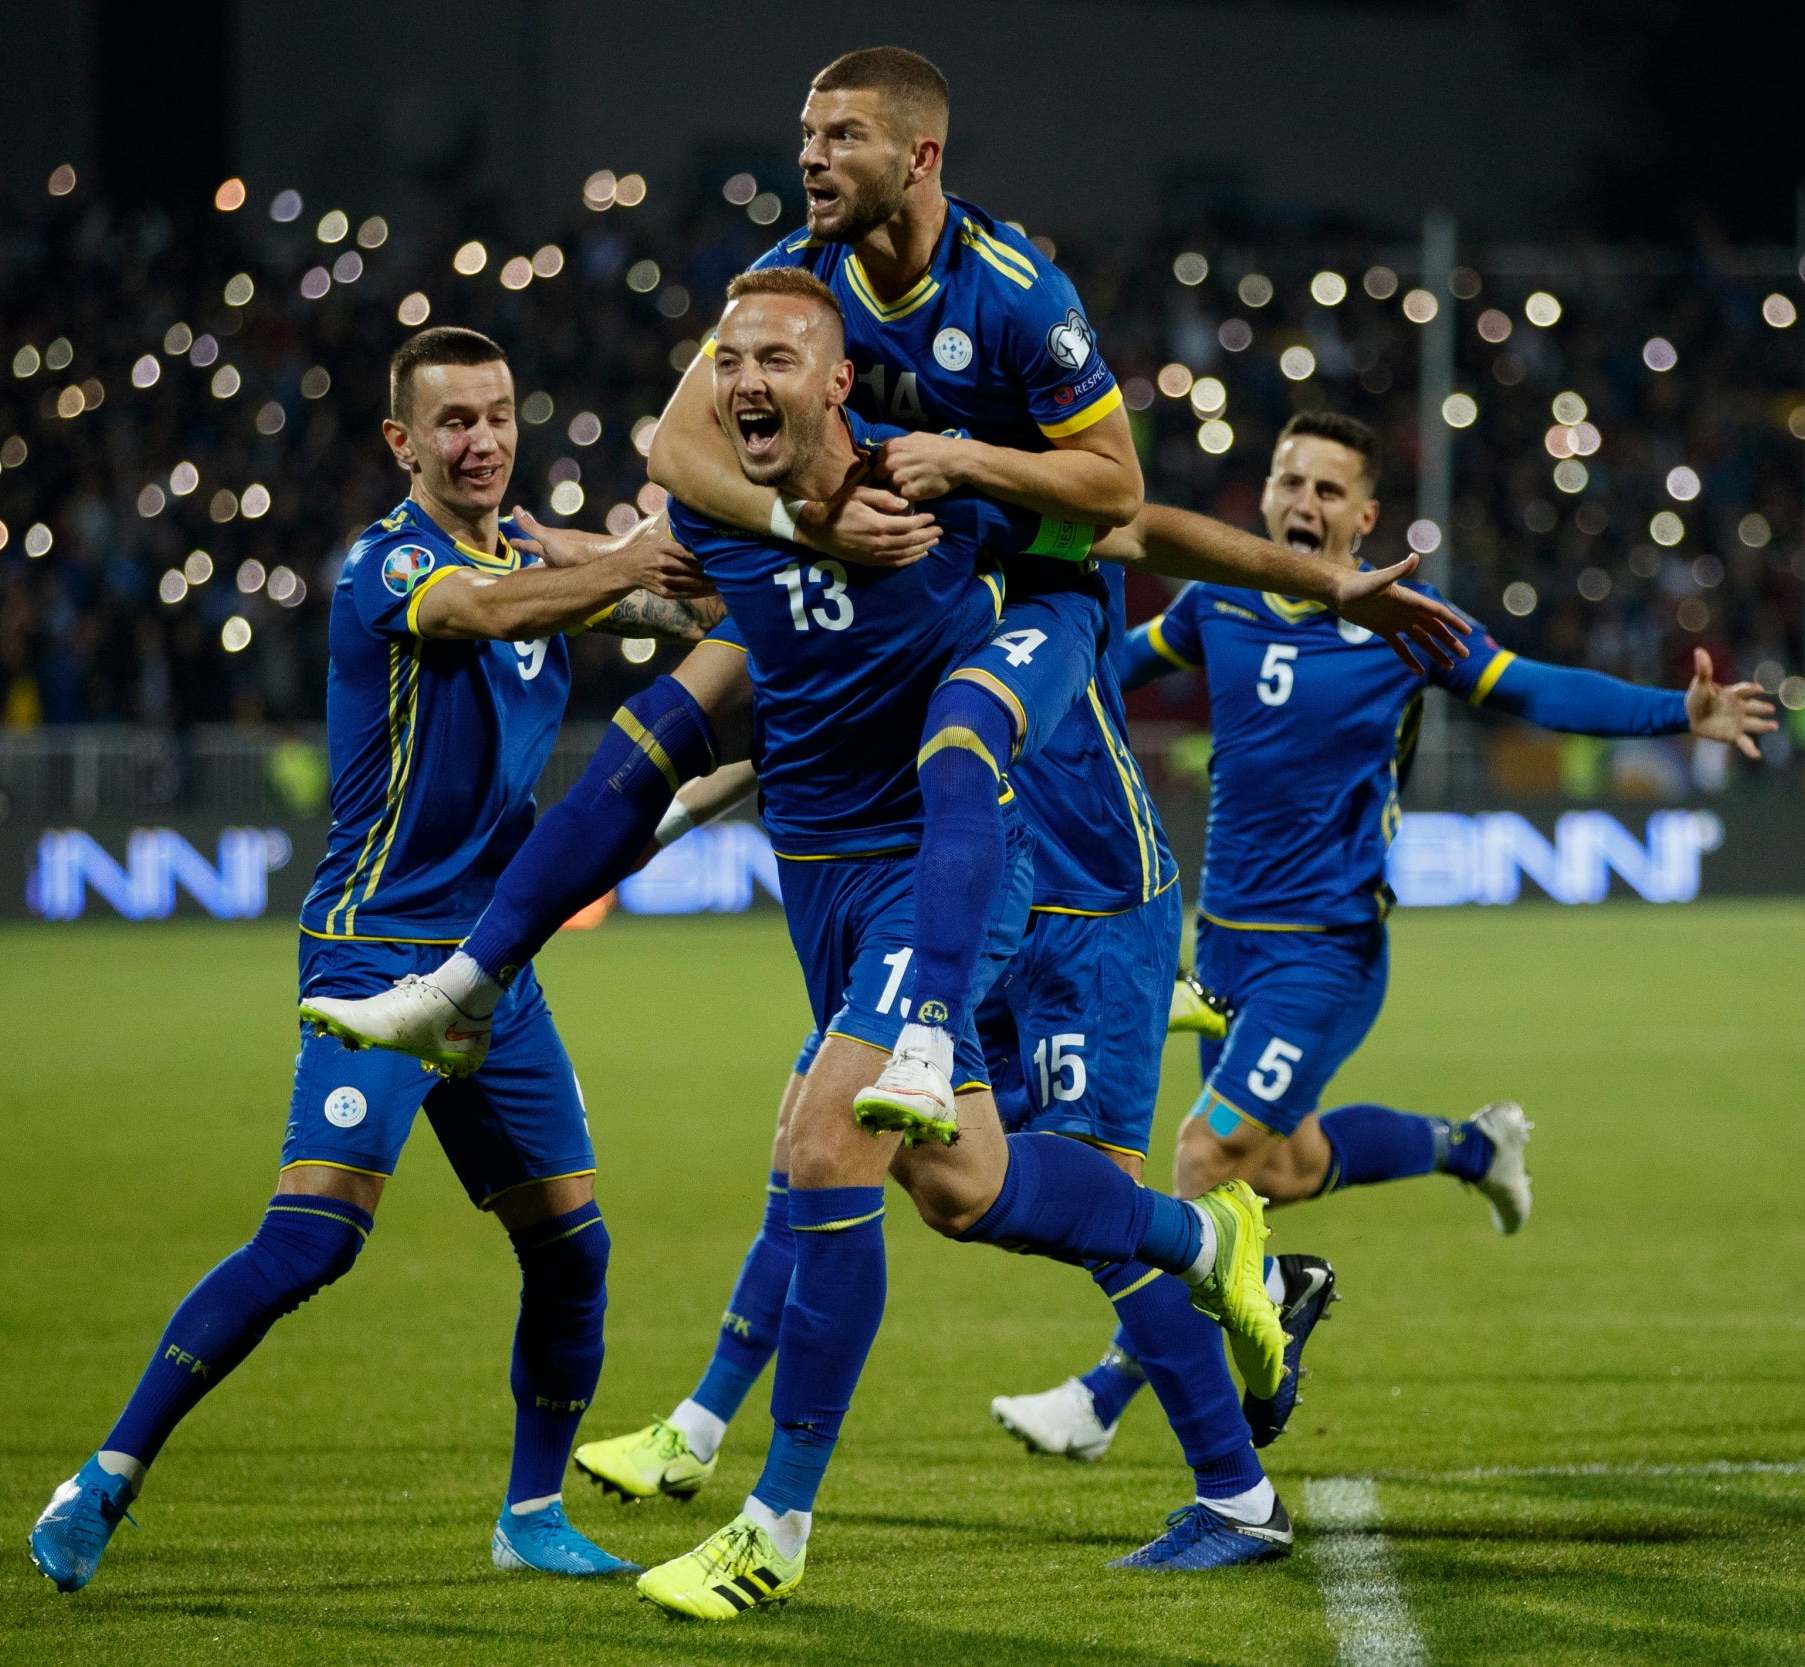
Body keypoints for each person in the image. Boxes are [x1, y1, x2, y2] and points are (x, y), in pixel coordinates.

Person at [296, 46, 1464, 1082]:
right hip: (848, 575)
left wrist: (965, 460)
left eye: (837, 135)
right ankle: (468, 984)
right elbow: (674, 443)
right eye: (804, 134)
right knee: (661, 732)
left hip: (1013, 588)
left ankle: (1011, 994)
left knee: (969, 756)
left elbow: (1116, 500)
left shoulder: (1012, 297)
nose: (807, 156)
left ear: (918, 156)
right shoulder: (796, 281)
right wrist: (806, 529)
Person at [611, 270, 1290, 1618]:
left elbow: (1162, 524)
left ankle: (1229, 1480)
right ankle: (705, 1423)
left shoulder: (1021, 520)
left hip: (1089, 902)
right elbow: (774, 615)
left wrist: (1328, 580)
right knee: (924, 1170)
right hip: (959, 901)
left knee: (861, 1140)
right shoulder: (868, 523)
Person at [27, 326, 713, 1593]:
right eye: (453, 421)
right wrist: (617, 563)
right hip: (371, 948)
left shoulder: (534, 549)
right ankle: (102, 1479)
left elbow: (680, 606)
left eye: (499, 414)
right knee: (315, 1240)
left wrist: (706, 569)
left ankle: (530, 1513)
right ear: (401, 441)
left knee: (574, 1247)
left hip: (493, 959)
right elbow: (497, 607)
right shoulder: (385, 564)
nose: (483, 440)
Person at [988, 409, 1778, 1459]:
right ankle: (1471, 1145)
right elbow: (1091, 673)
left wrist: (1672, 714)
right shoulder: (1216, 600)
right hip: (1219, 945)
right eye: (1287, 481)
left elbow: (1533, 687)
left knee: (1197, 1155)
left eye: (1326, 490)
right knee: (1276, 1167)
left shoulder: (1401, 625)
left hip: (1323, 955)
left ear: (1363, 516)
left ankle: (1104, 1395)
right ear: (1262, 495)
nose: (1302, 503)